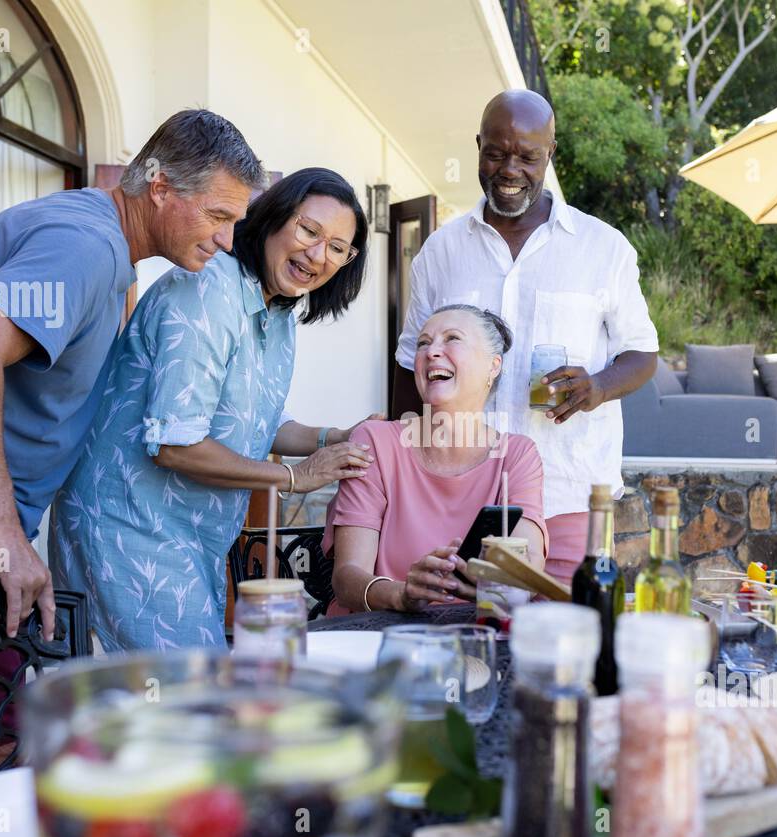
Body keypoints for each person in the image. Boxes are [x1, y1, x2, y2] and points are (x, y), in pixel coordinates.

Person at [0, 109, 263, 767]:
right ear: (158, 188)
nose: (227, 240)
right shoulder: (84, 248)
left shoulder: (101, 245)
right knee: (1, 743)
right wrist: (6, 536)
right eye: (216, 216)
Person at [51, 168, 376, 651]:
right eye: (308, 230)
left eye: (337, 247)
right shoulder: (208, 290)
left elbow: (255, 424)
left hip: (189, 537)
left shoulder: (278, 312)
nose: (317, 255)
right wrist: (295, 478)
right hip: (131, 525)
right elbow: (176, 445)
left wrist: (335, 436)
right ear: (272, 217)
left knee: (169, 700)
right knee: (183, 697)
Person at [392, 90, 659, 582]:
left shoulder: (604, 248)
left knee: (568, 644)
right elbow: (411, 362)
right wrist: (402, 461)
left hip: (568, 495)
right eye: (495, 153)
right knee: (464, 643)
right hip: (459, 498)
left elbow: (642, 354)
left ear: (550, 154)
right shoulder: (441, 251)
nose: (509, 169)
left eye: (528, 157)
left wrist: (597, 387)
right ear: (477, 147)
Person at [327, 305, 547, 615]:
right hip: (376, 638)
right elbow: (347, 577)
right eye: (423, 343)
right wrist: (401, 595)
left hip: (475, 635)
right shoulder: (374, 441)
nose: (432, 352)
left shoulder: (517, 455)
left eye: (452, 338)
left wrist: (498, 582)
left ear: (492, 366)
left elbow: (529, 565)